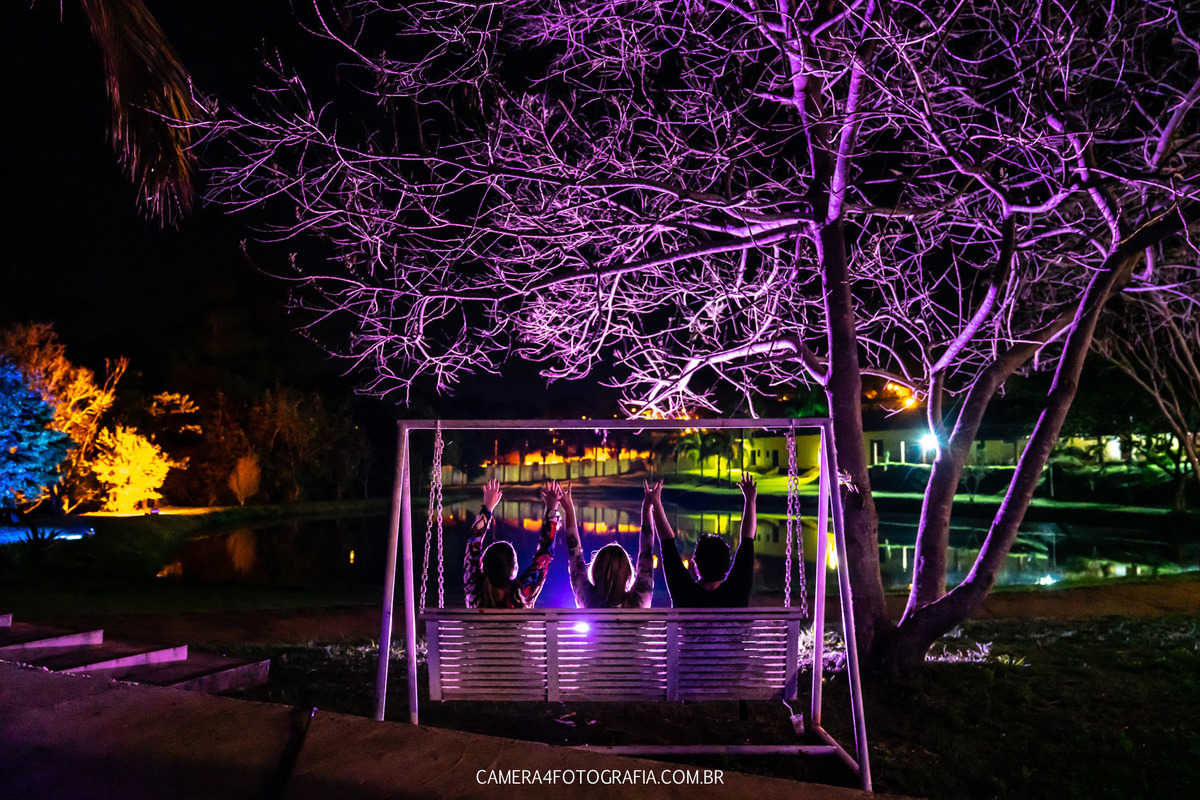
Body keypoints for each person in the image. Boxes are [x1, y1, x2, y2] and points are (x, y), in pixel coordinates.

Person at [645, 475, 757, 608]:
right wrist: (750, 500)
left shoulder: (684, 592)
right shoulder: (737, 592)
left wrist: (656, 503)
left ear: (696, 562)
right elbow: (747, 539)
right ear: (727, 562)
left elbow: (667, 543)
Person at [463, 478, 561, 609]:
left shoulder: (474, 589)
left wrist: (487, 508)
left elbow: (472, 543)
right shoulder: (522, 593)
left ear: (484, 565)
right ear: (513, 570)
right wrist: (551, 509)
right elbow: (545, 555)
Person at [562, 480, 653, 608]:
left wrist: (569, 510)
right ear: (627, 573)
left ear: (595, 569)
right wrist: (648, 507)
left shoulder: (588, 598)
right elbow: (647, 555)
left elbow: (574, 553)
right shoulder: (638, 601)